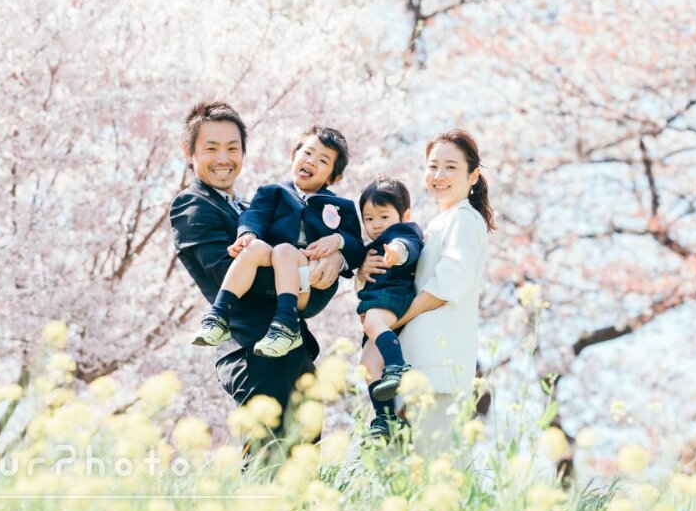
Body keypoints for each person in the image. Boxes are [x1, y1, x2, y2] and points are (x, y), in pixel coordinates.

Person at [170, 102, 347, 415]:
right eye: (211, 148)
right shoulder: (193, 205)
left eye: (232, 148)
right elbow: (232, 275)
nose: (223, 159)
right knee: (268, 456)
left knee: (300, 456)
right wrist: (308, 274)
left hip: (292, 350)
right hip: (252, 351)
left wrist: (337, 258)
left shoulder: (251, 209)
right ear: (189, 152)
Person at [358, 129, 494, 447]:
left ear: (473, 176)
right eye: (432, 166)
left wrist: (390, 323)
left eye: (450, 167)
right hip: (413, 368)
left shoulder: (464, 218)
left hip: (436, 370)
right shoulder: (433, 225)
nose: (439, 175)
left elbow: (447, 285)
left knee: (434, 470)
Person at [191, 125, 366, 358]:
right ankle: (220, 315)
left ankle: (287, 325)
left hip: (311, 284)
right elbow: (254, 216)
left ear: (334, 177)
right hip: (276, 268)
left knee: (283, 250)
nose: (312, 161)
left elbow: (357, 248)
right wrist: (247, 235)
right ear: (293, 155)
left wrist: (338, 240)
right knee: (255, 248)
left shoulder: (341, 207)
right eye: (307, 153)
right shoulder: (273, 192)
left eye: (323, 161)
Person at [355, 176, 424, 438]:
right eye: (369, 219)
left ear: (404, 215)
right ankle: (385, 419)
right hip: (375, 303)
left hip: (393, 295)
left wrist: (396, 252)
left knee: (373, 323)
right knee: (367, 364)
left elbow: (408, 245)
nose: (375, 225)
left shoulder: (404, 231)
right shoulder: (370, 246)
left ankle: (398, 366)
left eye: (383, 216)